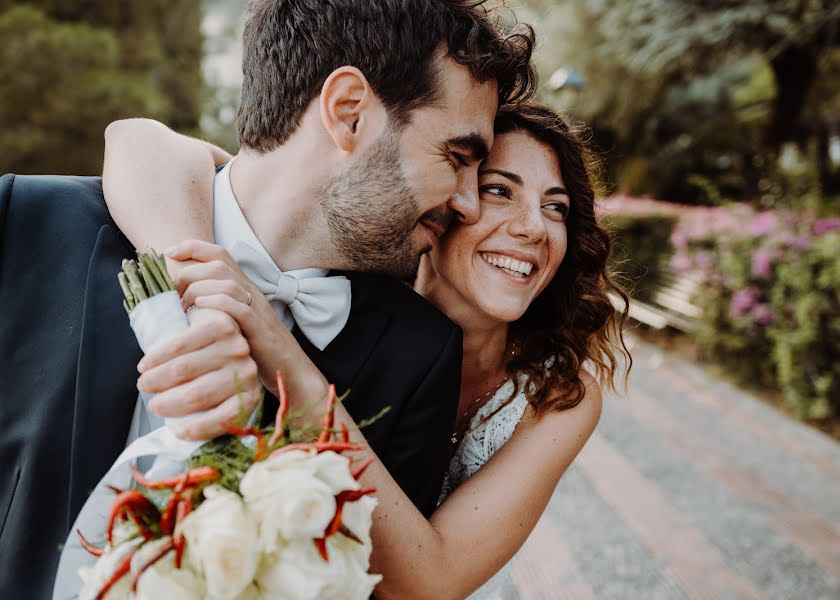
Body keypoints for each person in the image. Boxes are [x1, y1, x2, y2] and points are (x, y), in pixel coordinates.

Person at [0, 1, 535, 596]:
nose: (468, 203)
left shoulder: (419, 356)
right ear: (349, 113)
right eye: (457, 158)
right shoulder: (25, 224)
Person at [103, 102, 630, 598]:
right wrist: (201, 294)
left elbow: (431, 582)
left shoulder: (560, 396)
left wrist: (284, 360)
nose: (534, 228)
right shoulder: (348, 284)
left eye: (555, 207)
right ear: (452, 196)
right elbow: (141, 141)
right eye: (499, 191)